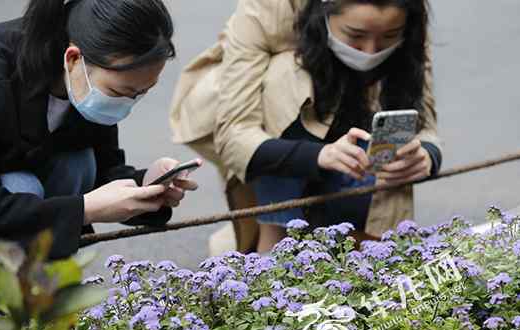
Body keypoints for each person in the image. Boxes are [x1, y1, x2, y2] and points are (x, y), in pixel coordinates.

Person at [170, 0, 442, 253]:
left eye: (389, 36)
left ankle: (372, 249)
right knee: (282, 72)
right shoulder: (266, 9)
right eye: (355, 35)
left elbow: (425, 123)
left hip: (352, 121)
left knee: (391, 141)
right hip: (271, 121)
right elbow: (235, 134)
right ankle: (275, 238)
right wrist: (319, 156)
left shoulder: (408, 15)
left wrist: (426, 155)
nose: (371, 51)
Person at [0, 0, 199, 259]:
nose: (126, 104)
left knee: (78, 162)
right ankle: (4, 293)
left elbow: (104, 173)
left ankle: (45, 282)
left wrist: (146, 184)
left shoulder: (85, 81)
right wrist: (83, 210)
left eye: (140, 94)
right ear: (73, 58)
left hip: (15, 209)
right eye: (119, 92)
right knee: (21, 185)